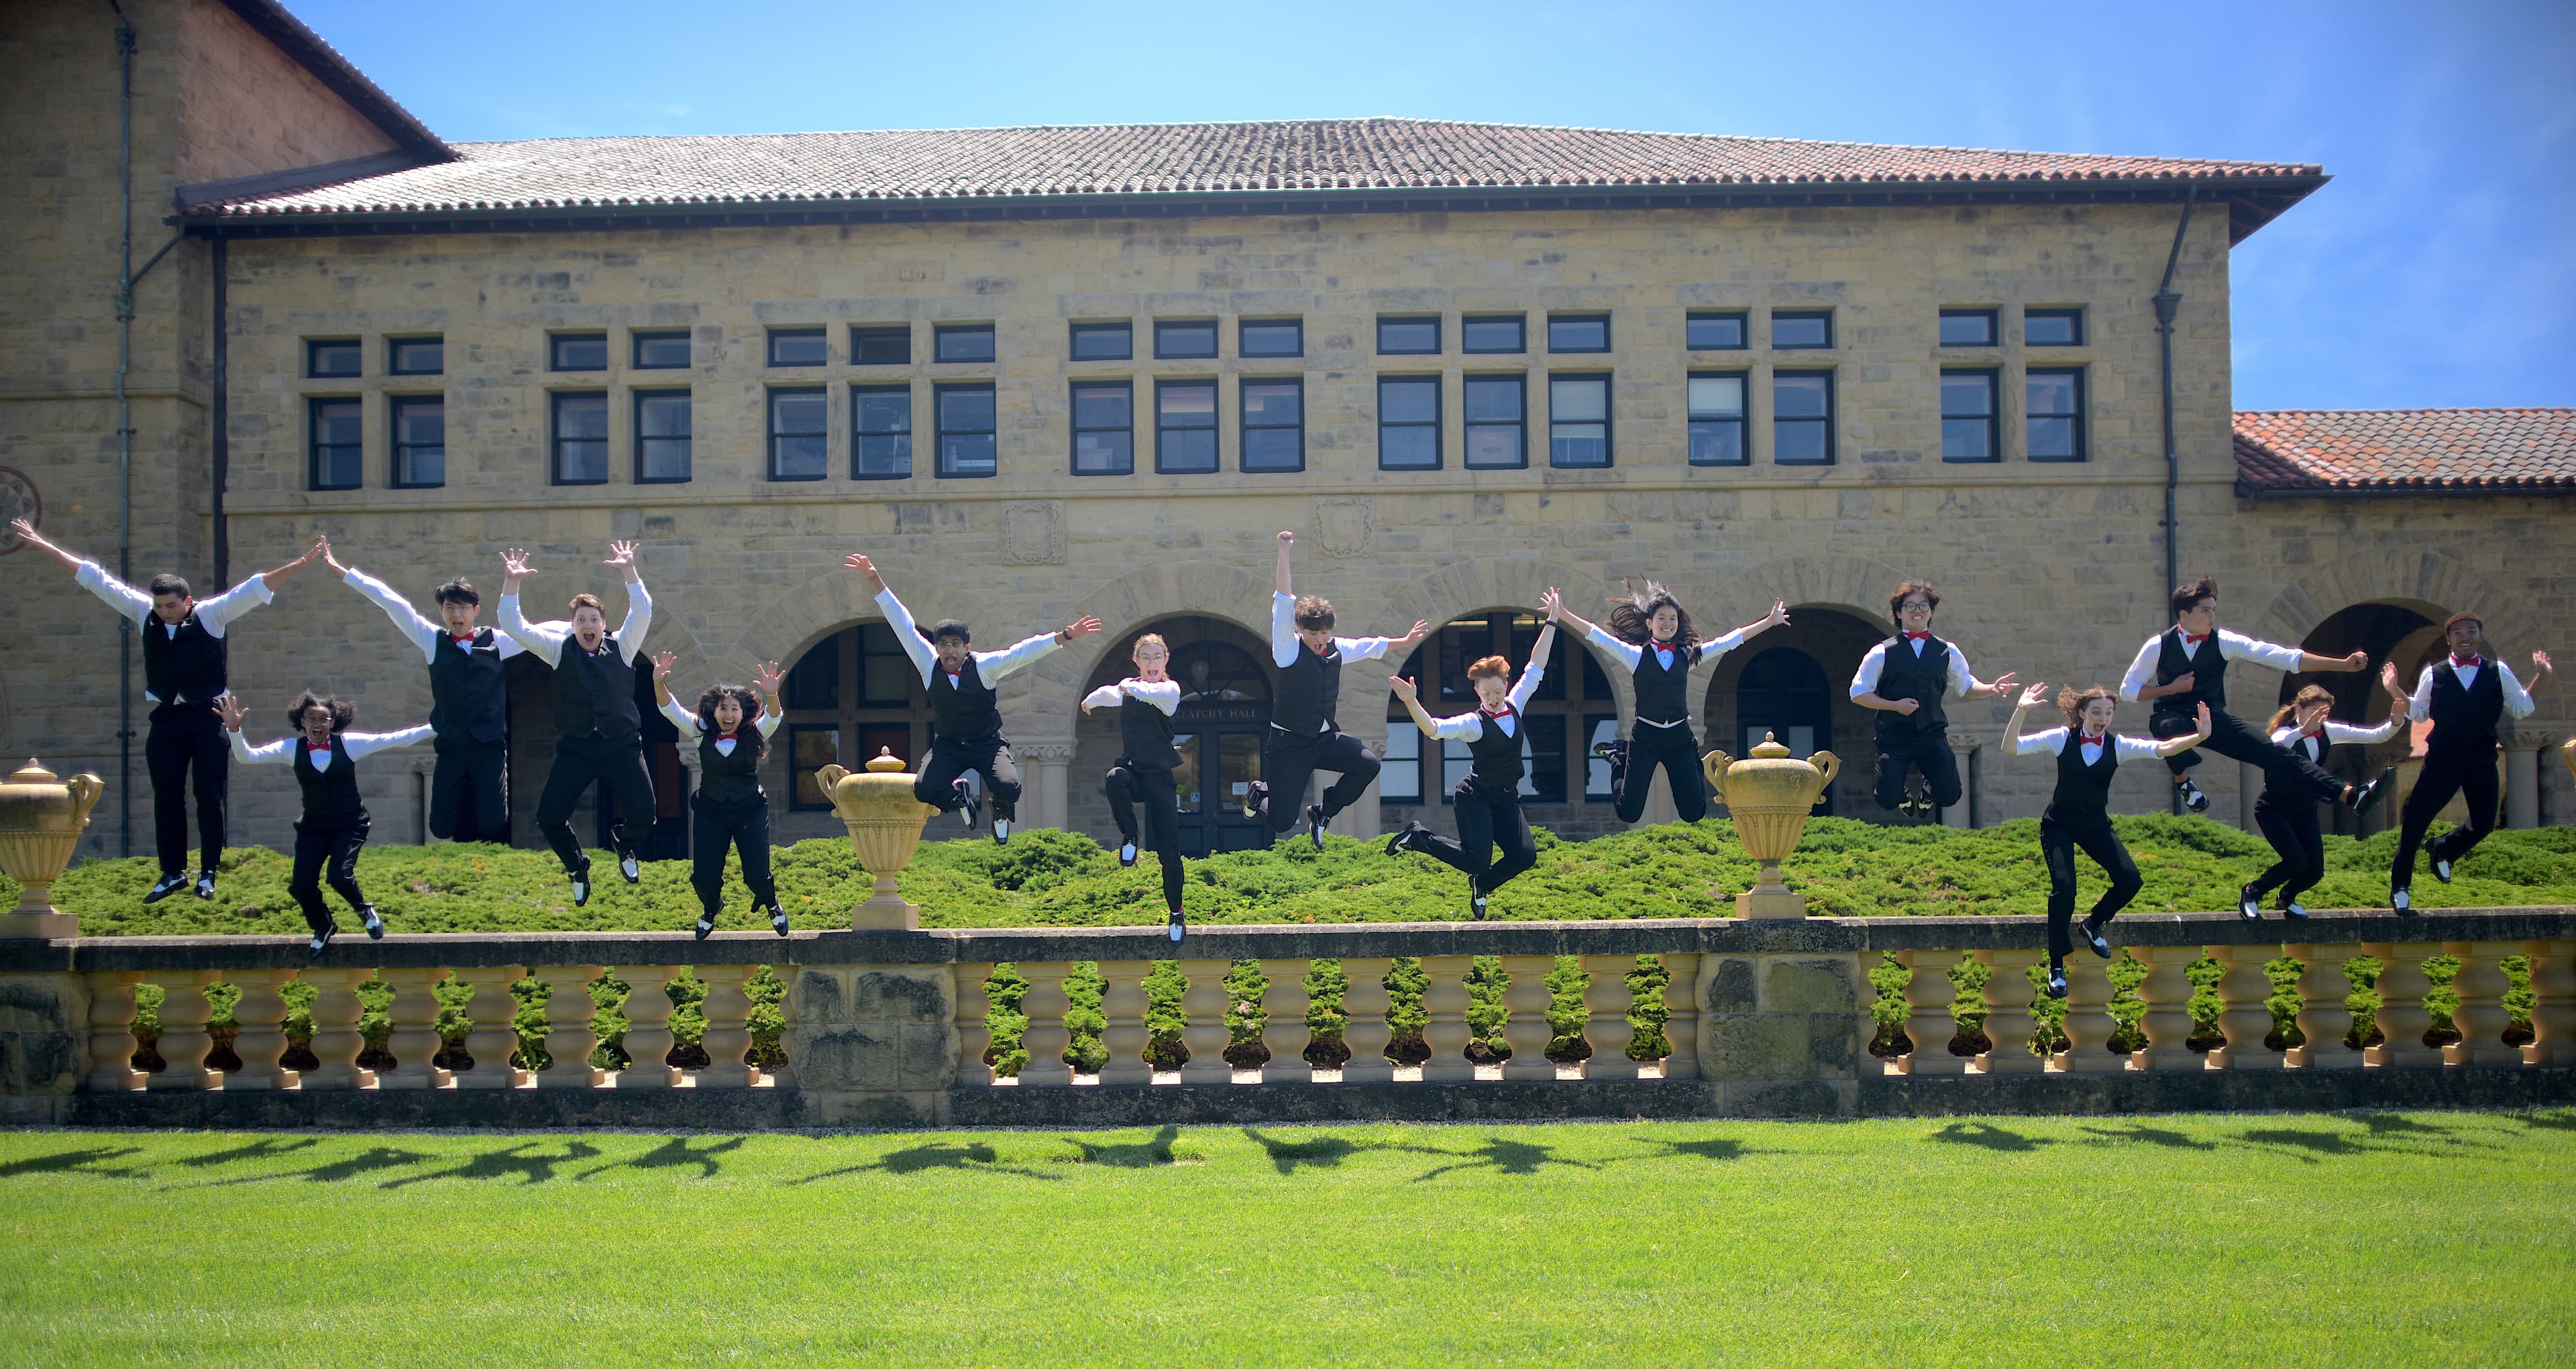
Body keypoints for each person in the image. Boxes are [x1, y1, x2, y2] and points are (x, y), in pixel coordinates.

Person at [11, 517, 322, 902]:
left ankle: (207, 873)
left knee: (208, 794)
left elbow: (255, 588)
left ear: (187, 601)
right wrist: (42, 543)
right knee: (167, 795)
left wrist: (300, 565)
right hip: (167, 719)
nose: (164, 612)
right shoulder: (144, 613)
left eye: (171, 606)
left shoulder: (212, 614)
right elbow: (94, 579)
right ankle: (172, 872)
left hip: (208, 716)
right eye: (159, 605)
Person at [843, 552, 1100, 843]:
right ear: (937, 647)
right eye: (943, 645)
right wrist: (874, 579)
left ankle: (1000, 810)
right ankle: (959, 796)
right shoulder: (929, 663)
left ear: (967, 647)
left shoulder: (985, 666)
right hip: (950, 746)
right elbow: (902, 624)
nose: (949, 651)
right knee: (924, 790)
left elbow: (1023, 652)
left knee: (1009, 786)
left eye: (955, 645)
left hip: (987, 744)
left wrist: (1065, 635)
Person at [2002, 681, 2211, 999]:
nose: (2103, 717)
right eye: (2097, 711)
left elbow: (2162, 749)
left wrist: (2199, 737)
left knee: (2130, 880)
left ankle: (2093, 923)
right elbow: (2010, 748)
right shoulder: (2062, 738)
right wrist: (2021, 710)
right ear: (2082, 713)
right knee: (2065, 888)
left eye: (2109, 712)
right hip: (2059, 824)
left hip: (2095, 824)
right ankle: (2057, 965)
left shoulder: (2119, 745)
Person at [2119, 578, 2387, 818]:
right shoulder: (2159, 645)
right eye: (2205, 611)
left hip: (2214, 718)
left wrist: (2342, 664)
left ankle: (2350, 794)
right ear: (2184, 615)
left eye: (2214, 610)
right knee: (2168, 728)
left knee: (2274, 752)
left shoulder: (2223, 641)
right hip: (2173, 716)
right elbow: (2128, 691)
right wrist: (2171, 689)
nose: (2212, 617)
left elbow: (2282, 656)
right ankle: (2183, 781)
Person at [1244, 531, 1430, 848]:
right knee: (1281, 821)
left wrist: (1406, 641)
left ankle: (1323, 811)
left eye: (1325, 634)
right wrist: (1284, 552)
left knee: (1368, 763)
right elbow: (1283, 601)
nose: (1320, 641)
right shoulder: (1288, 650)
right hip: (1290, 745)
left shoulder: (1336, 648)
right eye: (1314, 634)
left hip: (1324, 738)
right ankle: (1259, 794)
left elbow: (1369, 646)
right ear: (1300, 630)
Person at [327, 544, 522, 844]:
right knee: (440, 827)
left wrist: (586, 632)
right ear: (442, 611)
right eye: (450, 608)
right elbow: (391, 602)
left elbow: (539, 634)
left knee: (494, 822)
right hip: (452, 743)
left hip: (489, 744)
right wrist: (346, 573)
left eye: (463, 608)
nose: (457, 615)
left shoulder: (497, 641)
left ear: (475, 611)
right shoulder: (432, 640)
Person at [494, 541, 655, 906]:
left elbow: (643, 610)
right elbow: (513, 626)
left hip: (621, 744)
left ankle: (624, 845)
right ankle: (576, 866)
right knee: (549, 817)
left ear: (603, 624)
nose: (588, 625)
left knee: (645, 815)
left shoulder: (623, 647)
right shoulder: (556, 649)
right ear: (573, 625)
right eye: (581, 620)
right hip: (578, 746)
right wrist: (511, 583)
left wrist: (629, 572)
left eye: (594, 620)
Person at [1383, 592, 1560, 919]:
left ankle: (1482, 885)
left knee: (1524, 857)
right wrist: (1411, 701)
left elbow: (1537, 666)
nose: (1493, 698)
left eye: (1497, 691)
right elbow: (1434, 730)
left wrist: (1552, 620)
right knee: (1476, 858)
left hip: (1507, 799)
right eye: (1485, 693)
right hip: (1475, 797)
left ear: (1506, 685)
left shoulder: (1516, 703)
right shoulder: (1472, 724)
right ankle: (1418, 837)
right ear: (1476, 691)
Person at [1552, 581, 1786, 825]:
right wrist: (1563, 613)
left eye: (1672, 619)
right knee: (1629, 813)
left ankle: (1694, 756)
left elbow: (1729, 641)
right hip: (1646, 738)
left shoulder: (1688, 655)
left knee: (1693, 812)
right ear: (1649, 623)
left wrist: (1769, 621)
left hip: (1679, 738)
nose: (1667, 623)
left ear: (1678, 623)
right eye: (1661, 618)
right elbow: (1598, 637)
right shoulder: (1636, 656)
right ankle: (1617, 757)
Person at [213, 691, 429, 956]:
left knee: (338, 876)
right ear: (302, 721)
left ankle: (364, 910)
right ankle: (323, 925)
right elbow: (247, 757)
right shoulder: (291, 749)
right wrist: (234, 730)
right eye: (311, 718)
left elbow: (396, 739)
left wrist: (440, 726)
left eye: (324, 719)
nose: (317, 724)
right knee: (301, 885)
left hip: (349, 824)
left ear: (332, 722)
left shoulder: (349, 744)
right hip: (313, 828)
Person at [2389, 613, 2552, 912]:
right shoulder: (2434, 673)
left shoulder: (2497, 671)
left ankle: (2443, 849)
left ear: (2479, 636)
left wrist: (2543, 675)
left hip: (2480, 758)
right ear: (2449, 639)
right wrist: (2394, 690)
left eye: (2472, 631)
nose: (2465, 637)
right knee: (2414, 824)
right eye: (2459, 632)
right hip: (2443, 759)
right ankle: (2400, 885)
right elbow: (2420, 713)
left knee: (2484, 823)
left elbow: (2521, 708)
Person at [2243, 668, 2406, 920]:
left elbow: (2374, 736)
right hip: (2274, 809)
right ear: (2299, 711)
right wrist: (2302, 730)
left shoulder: (2328, 731)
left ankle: (2287, 897)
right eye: (2314, 712)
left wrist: (2395, 722)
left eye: (2325, 713)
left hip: (2305, 809)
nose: (2320, 718)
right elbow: (2275, 748)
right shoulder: (2285, 733)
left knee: (2315, 870)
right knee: (2296, 861)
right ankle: (2252, 892)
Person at [1849, 580, 2016, 821]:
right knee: (1886, 799)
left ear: (1931, 611)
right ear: (1899, 612)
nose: (1918, 611)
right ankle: (1903, 795)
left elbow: (1967, 687)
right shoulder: (1881, 652)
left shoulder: (1948, 650)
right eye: (1910, 606)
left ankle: (1928, 790)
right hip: (1894, 736)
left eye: (1923, 606)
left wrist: (1992, 688)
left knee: (1950, 795)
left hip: (1931, 734)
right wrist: (1894, 706)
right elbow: (1858, 693)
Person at [651, 652, 788, 939]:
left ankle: (772, 904)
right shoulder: (700, 732)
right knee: (704, 877)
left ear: (743, 712)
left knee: (756, 874)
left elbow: (774, 717)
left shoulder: (754, 733)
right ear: (713, 711)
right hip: (711, 812)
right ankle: (711, 908)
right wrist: (659, 683)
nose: (728, 715)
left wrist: (772, 695)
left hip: (749, 810)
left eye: (734, 709)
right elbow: (669, 709)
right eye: (723, 709)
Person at [1081, 634, 1189, 942]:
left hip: (1160, 778)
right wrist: (1091, 701)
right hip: (1134, 771)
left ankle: (1176, 913)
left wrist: (1127, 688)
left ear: (1165, 660)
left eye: (1157, 657)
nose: (1152, 663)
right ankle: (1130, 837)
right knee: (1115, 776)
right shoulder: (1128, 688)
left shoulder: (1170, 690)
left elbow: (1135, 691)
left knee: (1170, 853)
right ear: (1137, 661)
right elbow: (1109, 693)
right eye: (1146, 657)